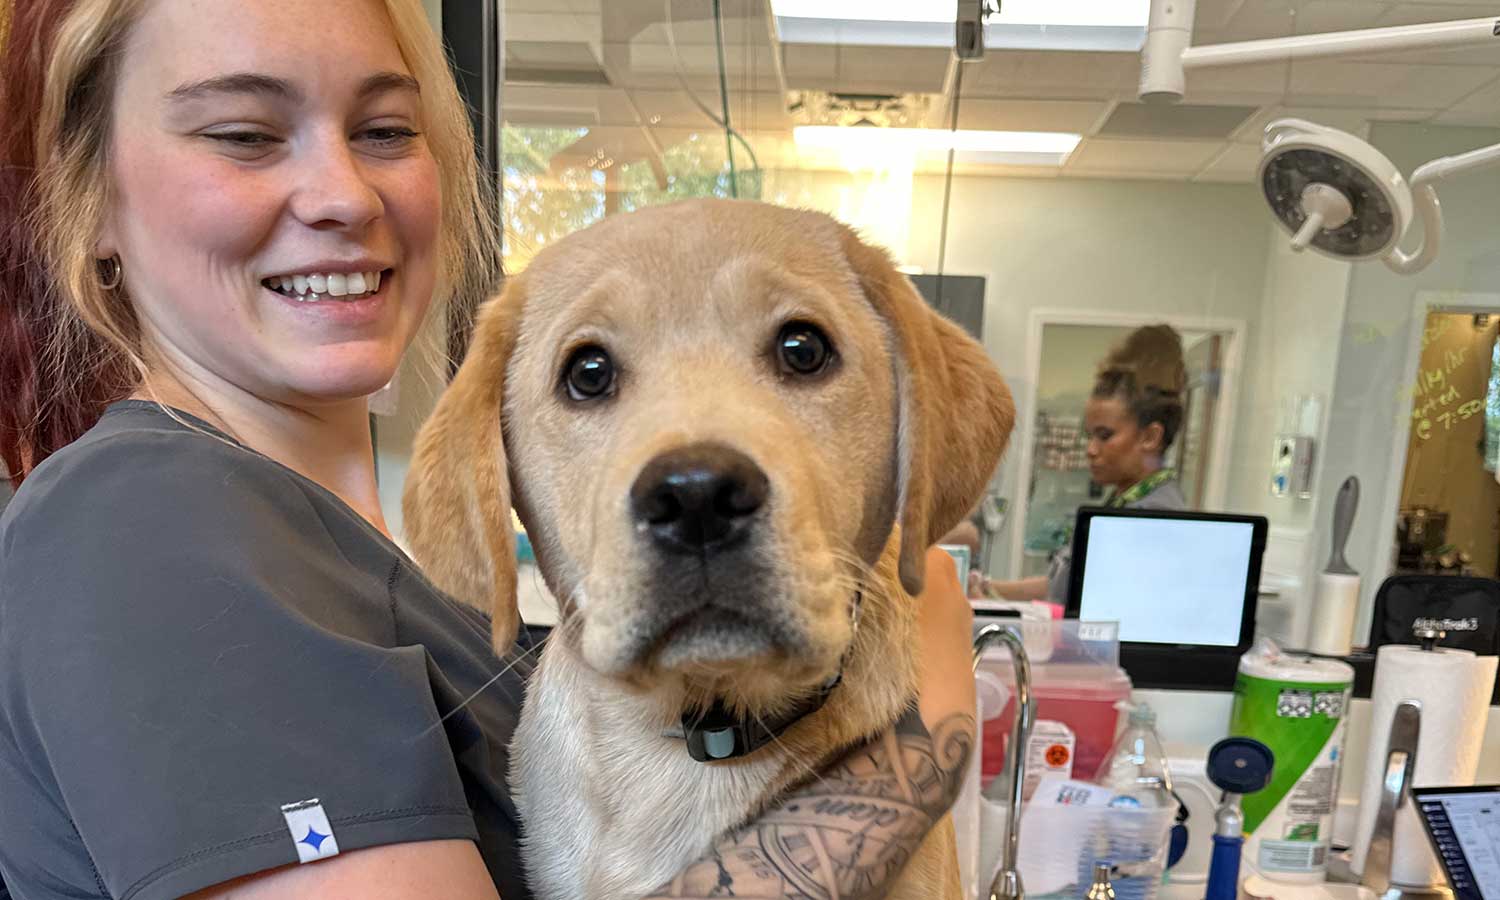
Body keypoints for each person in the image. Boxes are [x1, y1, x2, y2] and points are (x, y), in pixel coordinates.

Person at [0, 1, 977, 898]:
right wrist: (927, 713)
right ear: (92, 205)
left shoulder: (323, 541)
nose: (341, 193)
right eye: (244, 136)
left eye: (386, 130)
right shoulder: (147, 535)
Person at [986, 324, 1189, 603]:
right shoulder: (1125, 501)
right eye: (1089, 435)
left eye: (1105, 436)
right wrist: (990, 589)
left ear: (1150, 436)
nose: (1091, 449)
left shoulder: (1152, 518)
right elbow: (1066, 585)